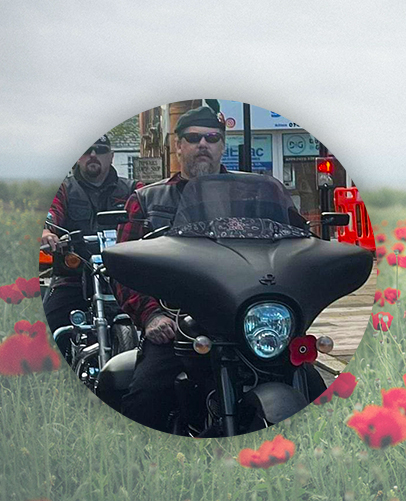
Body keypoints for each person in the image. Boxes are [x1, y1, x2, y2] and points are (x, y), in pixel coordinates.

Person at [114, 105, 325, 433]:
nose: (203, 144)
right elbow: (125, 269)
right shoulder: (147, 200)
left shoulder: (256, 193)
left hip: (247, 320)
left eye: (212, 137)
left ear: (223, 145)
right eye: (193, 137)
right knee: (146, 398)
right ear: (178, 145)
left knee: (316, 390)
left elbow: (299, 241)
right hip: (180, 326)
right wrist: (152, 315)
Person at [42, 135, 140, 338]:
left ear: (111, 156)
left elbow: (151, 218)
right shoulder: (63, 189)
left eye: (100, 150)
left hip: (123, 277)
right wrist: (45, 231)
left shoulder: (134, 190)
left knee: (160, 327)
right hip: (73, 277)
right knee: (48, 328)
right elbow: (50, 212)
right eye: (87, 150)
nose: (93, 155)